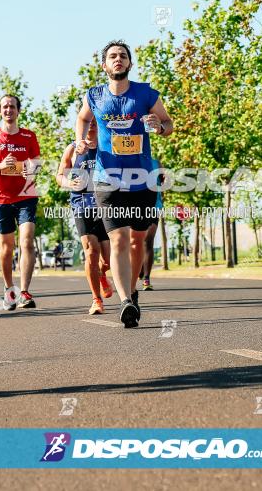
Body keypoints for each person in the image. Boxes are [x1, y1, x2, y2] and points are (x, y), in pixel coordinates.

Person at [75, 40, 174, 327]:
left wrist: (159, 125)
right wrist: (79, 139)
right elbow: (82, 118)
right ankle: (125, 301)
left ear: (129, 63)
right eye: (112, 56)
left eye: (123, 56)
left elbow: (168, 124)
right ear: (104, 65)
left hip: (141, 179)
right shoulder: (94, 95)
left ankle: (132, 291)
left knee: (137, 240)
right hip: (107, 180)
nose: (118, 60)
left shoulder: (145, 93)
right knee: (118, 238)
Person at [0, 94, 41, 311]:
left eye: (12, 106)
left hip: (26, 195)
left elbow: (36, 167)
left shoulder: (28, 136)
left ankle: (24, 292)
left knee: (27, 240)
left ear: (18, 110)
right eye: (5, 107)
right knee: (7, 246)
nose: (8, 110)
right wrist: (0, 166)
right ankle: (8, 288)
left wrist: (26, 168)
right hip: (1, 198)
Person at [56, 119, 114, 314]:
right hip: (81, 205)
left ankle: (102, 274)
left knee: (107, 260)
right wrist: (67, 183)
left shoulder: (107, 146)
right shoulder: (72, 149)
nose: (90, 126)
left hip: (105, 205)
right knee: (91, 251)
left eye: (94, 123)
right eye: (86, 123)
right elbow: (59, 175)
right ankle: (96, 300)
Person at [138, 159, 164, 290]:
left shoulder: (157, 163)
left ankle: (146, 279)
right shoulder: (131, 160)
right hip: (135, 206)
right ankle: (139, 268)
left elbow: (163, 182)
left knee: (148, 239)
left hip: (155, 205)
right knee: (137, 240)